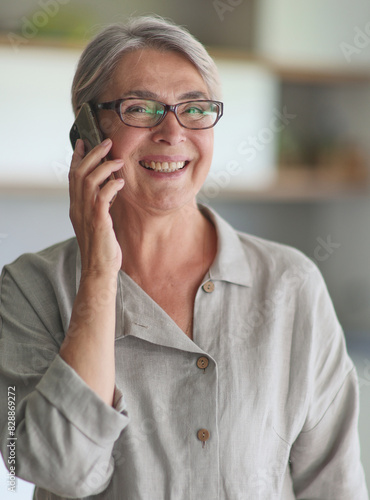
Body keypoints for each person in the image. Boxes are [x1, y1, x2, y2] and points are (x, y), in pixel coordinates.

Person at [0, 15, 368, 500]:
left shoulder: (292, 284)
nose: (172, 132)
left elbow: (335, 486)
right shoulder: (26, 289)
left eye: (194, 109)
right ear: (86, 129)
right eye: (141, 107)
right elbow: (49, 465)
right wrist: (97, 274)